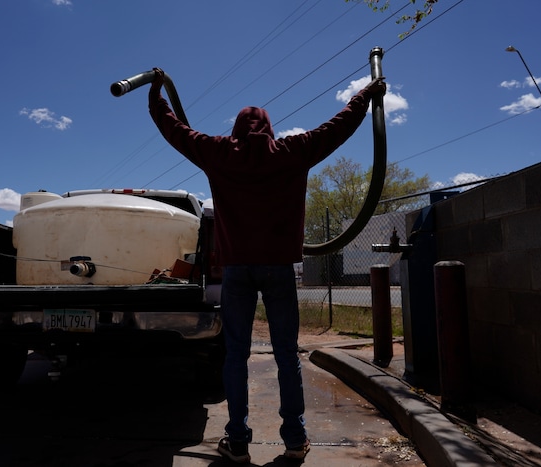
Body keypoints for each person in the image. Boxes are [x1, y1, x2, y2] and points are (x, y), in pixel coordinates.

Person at [148, 69, 386, 463]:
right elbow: (338, 126)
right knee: (286, 355)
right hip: (278, 269)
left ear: (238, 128)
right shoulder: (292, 151)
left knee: (236, 355)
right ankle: (294, 440)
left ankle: (238, 441)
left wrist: (156, 95)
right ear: (270, 129)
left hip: (237, 270)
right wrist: (365, 95)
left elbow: (174, 130)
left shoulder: (218, 151)